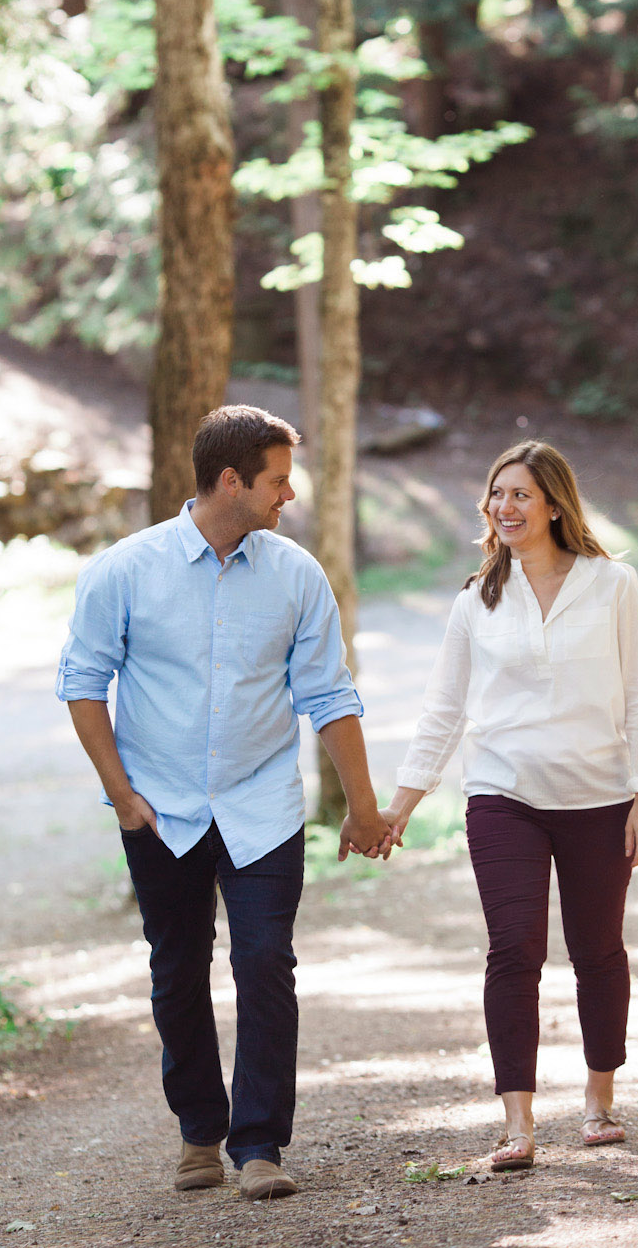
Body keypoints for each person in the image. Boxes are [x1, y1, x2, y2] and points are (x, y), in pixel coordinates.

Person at [56, 404, 392, 1202]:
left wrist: (364, 807)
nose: (289, 497)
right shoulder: (123, 571)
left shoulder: (296, 575)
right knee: (177, 970)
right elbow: (82, 683)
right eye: (278, 481)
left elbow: (330, 695)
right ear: (232, 481)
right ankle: (199, 1135)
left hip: (261, 804)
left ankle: (261, 1144)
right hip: (160, 808)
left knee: (265, 962)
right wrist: (121, 794)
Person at [382, 439, 638, 1170]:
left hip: (599, 798)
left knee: (598, 950)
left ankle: (599, 1100)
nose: (504, 507)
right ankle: (517, 1122)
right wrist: (401, 804)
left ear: (554, 505)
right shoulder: (477, 599)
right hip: (503, 795)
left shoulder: (611, 584)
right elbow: (442, 711)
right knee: (514, 950)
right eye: (496, 494)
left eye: (520, 495)